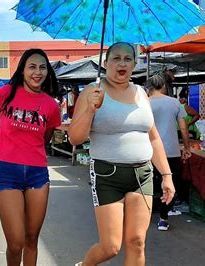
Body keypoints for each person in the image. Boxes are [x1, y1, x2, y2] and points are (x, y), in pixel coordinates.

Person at [68, 42, 175, 266]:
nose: (122, 63)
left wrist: (166, 175)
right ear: (105, 63)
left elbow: (153, 137)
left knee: (137, 241)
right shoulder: (92, 91)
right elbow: (75, 138)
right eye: (116, 58)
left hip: (142, 175)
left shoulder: (141, 93)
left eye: (128, 58)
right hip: (107, 175)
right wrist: (90, 109)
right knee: (110, 247)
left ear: (135, 64)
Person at [0, 48, 61, 265]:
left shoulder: (51, 105)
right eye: (32, 66)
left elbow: (46, 138)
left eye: (42, 67)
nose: (37, 72)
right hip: (8, 173)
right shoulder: (8, 92)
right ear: (22, 70)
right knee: (15, 242)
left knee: (31, 239)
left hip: (37, 174)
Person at [147, 74, 192, 231]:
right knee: (169, 184)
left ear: (149, 87)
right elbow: (184, 128)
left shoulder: (144, 103)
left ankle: (143, 216)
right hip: (171, 151)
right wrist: (187, 148)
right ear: (164, 87)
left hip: (148, 151)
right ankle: (163, 219)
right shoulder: (174, 103)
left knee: (148, 183)